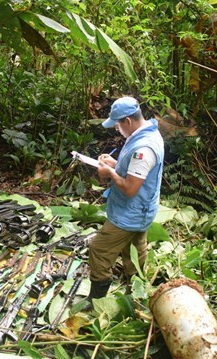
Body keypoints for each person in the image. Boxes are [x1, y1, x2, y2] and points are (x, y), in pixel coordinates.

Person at [85, 96, 164, 308]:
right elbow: (136, 172)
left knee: (99, 249)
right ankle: (135, 295)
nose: (117, 129)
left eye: (118, 124)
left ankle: (97, 300)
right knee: (135, 251)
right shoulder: (147, 132)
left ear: (128, 121)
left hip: (130, 212)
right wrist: (116, 164)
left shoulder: (143, 149)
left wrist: (109, 172)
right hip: (142, 209)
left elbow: (130, 188)